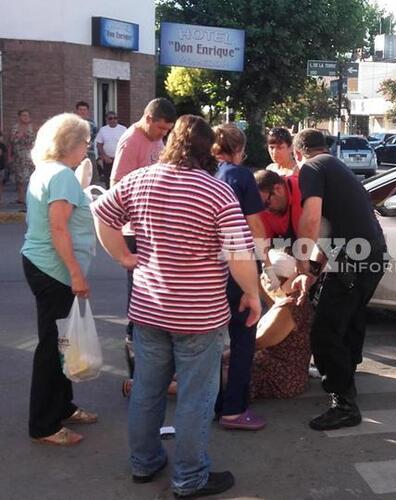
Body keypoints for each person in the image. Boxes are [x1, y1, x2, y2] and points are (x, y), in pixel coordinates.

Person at [92, 115, 261, 498]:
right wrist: (252, 294)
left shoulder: (140, 180)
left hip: (149, 310)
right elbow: (238, 252)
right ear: (207, 150)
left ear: (171, 142)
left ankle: (144, 462)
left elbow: (101, 213)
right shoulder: (216, 192)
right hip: (199, 316)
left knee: (147, 391)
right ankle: (190, 478)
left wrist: (123, 256)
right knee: (195, 399)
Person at [290, 128, 386, 431]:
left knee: (325, 331)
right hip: (372, 257)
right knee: (349, 321)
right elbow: (329, 234)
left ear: (298, 152)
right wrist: (314, 273)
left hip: (354, 261)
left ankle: (343, 404)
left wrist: (301, 264)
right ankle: (348, 382)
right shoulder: (337, 167)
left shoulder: (311, 167)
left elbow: (312, 219)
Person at [20, 113, 99, 446]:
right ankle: (44, 425)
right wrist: (76, 274)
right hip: (55, 270)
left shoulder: (48, 171)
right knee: (52, 347)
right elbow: (58, 228)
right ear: (73, 143)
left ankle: (62, 406)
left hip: (42, 264)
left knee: (61, 341)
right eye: (85, 142)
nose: (88, 147)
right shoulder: (62, 176)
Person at [109, 97, 176, 384]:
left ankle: (151, 372)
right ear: (148, 119)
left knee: (153, 302)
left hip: (151, 229)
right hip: (135, 232)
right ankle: (137, 377)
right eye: (160, 129)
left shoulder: (153, 139)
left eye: (167, 131)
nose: (163, 135)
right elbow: (117, 185)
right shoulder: (132, 140)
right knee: (139, 304)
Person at [212, 123, 267, 430]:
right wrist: (265, 265)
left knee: (210, 343)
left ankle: (214, 402)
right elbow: (256, 228)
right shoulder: (241, 177)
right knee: (243, 337)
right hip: (238, 268)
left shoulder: (205, 174)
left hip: (208, 270)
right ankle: (233, 408)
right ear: (239, 150)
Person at [250, 250, 313, 399]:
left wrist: (224, 356)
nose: (266, 282)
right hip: (281, 369)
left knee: (219, 374)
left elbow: (258, 343)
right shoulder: (291, 298)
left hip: (280, 377)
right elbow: (273, 302)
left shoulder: (290, 306)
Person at [255, 169, 303, 247]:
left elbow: (311, 231)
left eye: (266, 204)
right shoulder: (264, 206)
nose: (266, 211)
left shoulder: (302, 189)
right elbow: (265, 244)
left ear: (278, 189)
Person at [8, 109, 36, 208]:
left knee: (31, 178)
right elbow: (11, 142)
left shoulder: (31, 128)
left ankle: (31, 198)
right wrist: (9, 156)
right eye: (23, 115)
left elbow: (34, 141)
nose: (25, 117)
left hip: (30, 157)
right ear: (19, 117)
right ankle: (21, 198)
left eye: (27, 115)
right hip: (18, 157)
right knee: (19, 179)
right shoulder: (15, 128)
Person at [94, 110, 127, 188]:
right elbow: (99, 144)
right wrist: (104, 156)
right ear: (107, 119)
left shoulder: (123, 129)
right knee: (108, 179)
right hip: (108, 159)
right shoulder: (103, 130)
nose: (113, 120)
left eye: (115, 118)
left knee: (120, 178)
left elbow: (127, 144)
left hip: (120, 158)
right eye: (110, 118)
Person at [75, 101, 99, 184]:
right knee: (76, 176)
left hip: (89, 153)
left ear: (87, 111)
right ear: (77, 111)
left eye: (84, 110)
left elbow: (94, 136)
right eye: (80, 109)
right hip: (75, 153)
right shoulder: (72, 123)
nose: (82, 111)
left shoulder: (92, 124)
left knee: (91, 176)